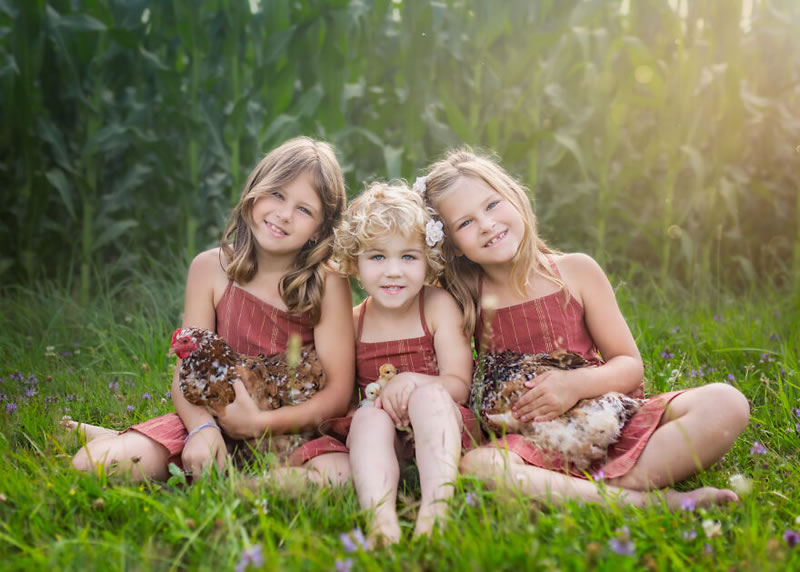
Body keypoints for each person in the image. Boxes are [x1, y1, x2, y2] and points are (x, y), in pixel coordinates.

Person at [417, 148, 750, 509]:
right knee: (479, 466)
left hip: (606, 418)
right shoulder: (460, 299)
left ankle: (608, 489)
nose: (485, 224)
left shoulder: (575, 272)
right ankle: (645, 502)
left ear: (514, 198)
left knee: (726, 402)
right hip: (532, 441)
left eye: (492, 205)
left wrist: (573, 385)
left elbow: (628, 364)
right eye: (465, 223)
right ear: (453, 246)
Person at [69, 136, 355, 485]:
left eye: (304, 209)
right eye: (277, 194)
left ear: (319, 230)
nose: (283, 214)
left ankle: (242, 489)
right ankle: (149, 447)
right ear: (254, 191)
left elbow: (338, 395)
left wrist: (258, 425)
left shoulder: (327, 285)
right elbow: (186, 373)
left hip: (292, 433)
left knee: (340, 475)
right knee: (92, 466)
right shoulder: (210, 269)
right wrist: (201, 429)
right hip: (215, 420)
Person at [328, 181, 475, 542]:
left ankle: (435, 509)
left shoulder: (437, 306)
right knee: (366, 416)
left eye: (408, 257)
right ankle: (381, 518)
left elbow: (459, 383)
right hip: (382, 440)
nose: (393, 271)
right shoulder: (353, 320)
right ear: (354, 263)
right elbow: (345, 395)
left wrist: (414, 381)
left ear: (429, 261)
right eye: (377, 257)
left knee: (428, 398)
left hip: (442, 427)